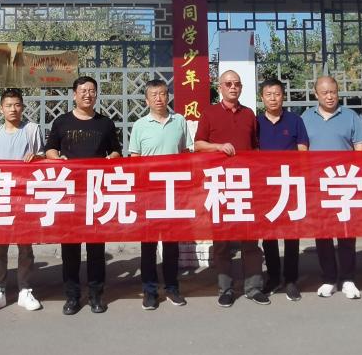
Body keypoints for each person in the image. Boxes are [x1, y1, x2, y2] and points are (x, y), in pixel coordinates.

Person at [46, 76, 123, 315]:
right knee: (70, 248)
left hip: (95, 194)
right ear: (74, 94)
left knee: (96, 249)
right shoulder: (62, 122)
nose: (88, 95)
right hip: (69, 193)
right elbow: (50, 149)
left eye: (92, 91)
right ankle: (71, 297)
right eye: (83, 91)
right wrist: (56, 158)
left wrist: (110, 158)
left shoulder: (105, 123)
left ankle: (96, 295)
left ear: (96, 94)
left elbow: (116, 152)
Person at [195, 70, 267, 306]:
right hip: (220, 184)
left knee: (251, 240)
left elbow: (256, 148)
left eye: (237, 84)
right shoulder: (209, 113)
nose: (233, 87)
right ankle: (225, 289)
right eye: (228, 84)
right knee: (222, 242)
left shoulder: (249, 114)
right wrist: (218, 147)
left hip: (246, 184)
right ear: (220, 87)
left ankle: (253, 287)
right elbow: (198, 145)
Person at [301, 75, 362, 299]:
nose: (330, 96)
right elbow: (301, 152)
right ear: (316, 94)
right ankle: (329, 278)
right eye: (324, 93)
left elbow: (360, 150)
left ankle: (348, 278)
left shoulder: (350, 116)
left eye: (333, 92)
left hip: (344, 183)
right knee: (323, 233)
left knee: (347, 233)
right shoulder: (306, 118)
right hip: (318, 185)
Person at [0, 88, 44, 315]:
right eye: (8, 105)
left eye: (17, 105)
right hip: (1, 194)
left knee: (25, 245)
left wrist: (37, 157)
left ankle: (25, 290)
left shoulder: (31, 129)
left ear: (22, 107)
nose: (13, 109)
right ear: (1, 109)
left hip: (25, 195)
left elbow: (43, 156)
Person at [128, 79, 190, 310]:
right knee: (148, 245)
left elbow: (186, 153)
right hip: (149, 193)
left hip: (173, 192)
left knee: (172, 244)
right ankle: (150, 291)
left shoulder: (179, 121)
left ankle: (172, 288)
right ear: (146, 100)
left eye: (162, 93)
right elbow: (134, 159)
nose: (158, 98)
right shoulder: (140, 125)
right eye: (153, 95)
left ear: (168, 96)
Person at [256, 77, 309, 302]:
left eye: (277, 94)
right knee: (268, 234)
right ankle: (273, 277)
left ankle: (290, 280)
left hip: (290, 183)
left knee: (291, 234)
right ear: (262, 98)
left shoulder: (295, 120)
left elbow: (303, 150)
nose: (273, 98)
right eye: (269, 94)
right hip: (266, 186)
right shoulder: (256, 123)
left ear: (283, 97)